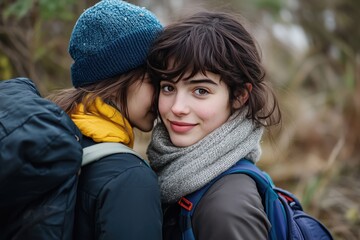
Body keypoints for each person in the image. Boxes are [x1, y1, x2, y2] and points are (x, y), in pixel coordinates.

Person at [146, 11, 281, 240]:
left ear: (239, 96)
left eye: (201, 91)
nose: (178, 107)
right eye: (168, 87)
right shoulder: (176, 176)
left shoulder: (226, 209)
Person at [49, 0, 163, 239]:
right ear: (115, 82)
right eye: (154, 78)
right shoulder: (129, 179)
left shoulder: (58, 138)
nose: (163, 93)